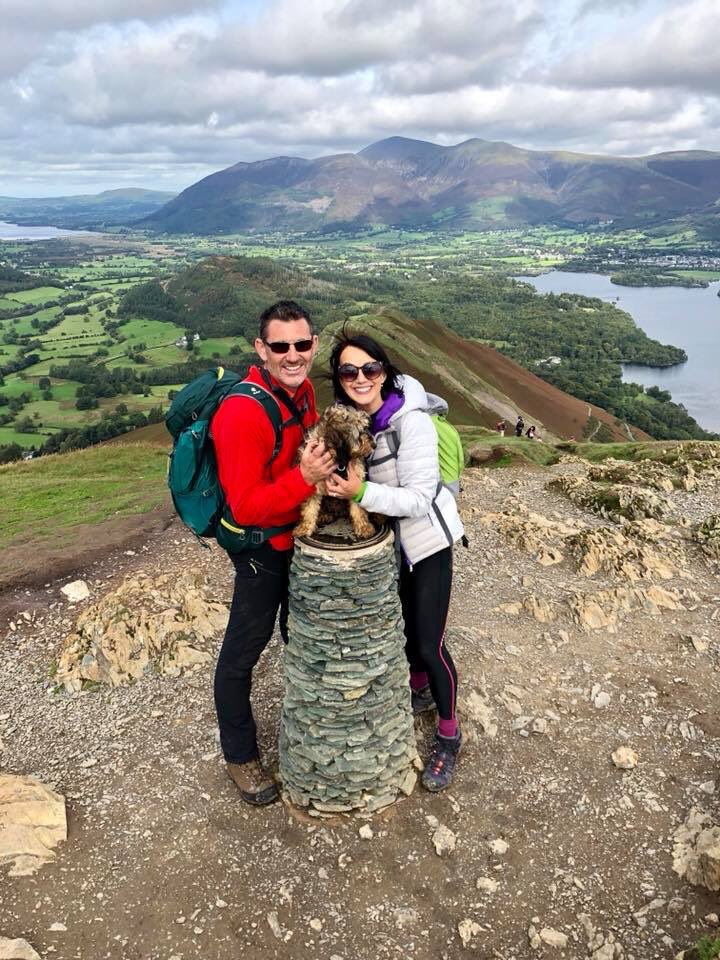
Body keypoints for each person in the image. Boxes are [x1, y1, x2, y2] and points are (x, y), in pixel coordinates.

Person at [325, 332, 465, 792]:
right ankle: (418, 690)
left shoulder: (412, 421)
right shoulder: (354, 422)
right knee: (404, 632)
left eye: (370, 369)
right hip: (392, 546)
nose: (360, 378)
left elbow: (422, 497)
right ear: (339, 379)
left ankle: (448, 736)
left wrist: (360, 492)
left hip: (427, 546)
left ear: (384, 371)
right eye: (349, 371)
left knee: (429, 642)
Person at [211, 301, 336, 806]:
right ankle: (240, 755)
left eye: (301, 344)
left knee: (297, 635)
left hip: (297, 540)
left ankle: (306, 728)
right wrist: (303, 479)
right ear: (261, 349)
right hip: (263, 551)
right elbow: (244, 507)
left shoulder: (303, 391)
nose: (292, 355)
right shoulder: (243, 412)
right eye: (279, 346)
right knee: (243, 653)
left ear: (314, 345)